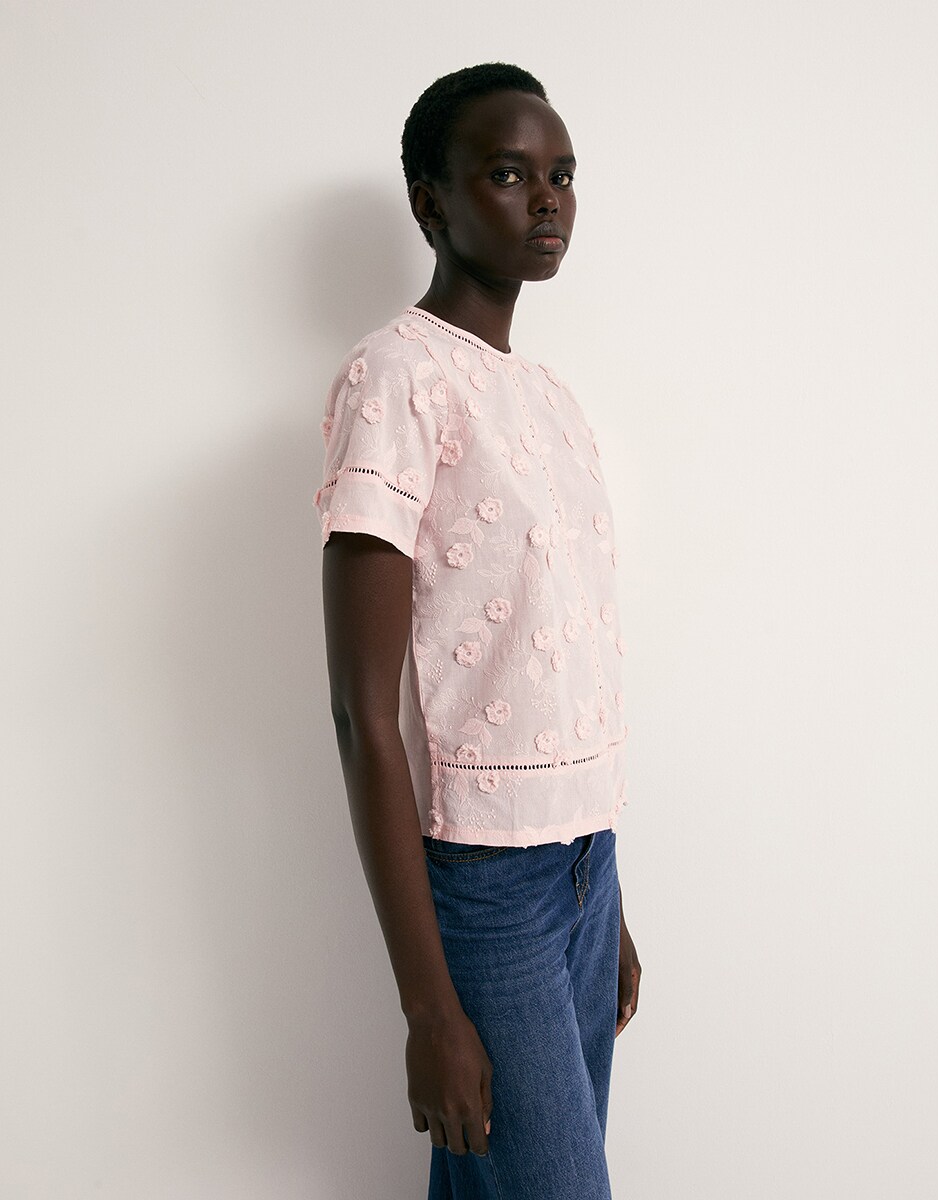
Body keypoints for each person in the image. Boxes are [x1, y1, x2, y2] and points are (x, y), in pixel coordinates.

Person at [314, 63, 640, 1199]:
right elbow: (361, 714)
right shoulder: (394, 378)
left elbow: (562, 663)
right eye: (506, 173)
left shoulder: (551, 397)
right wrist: (428, 1009)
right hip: (488, 888)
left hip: (587, 867)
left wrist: (605, 901)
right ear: (431, 201)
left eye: (561, 175)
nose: (545, 199)